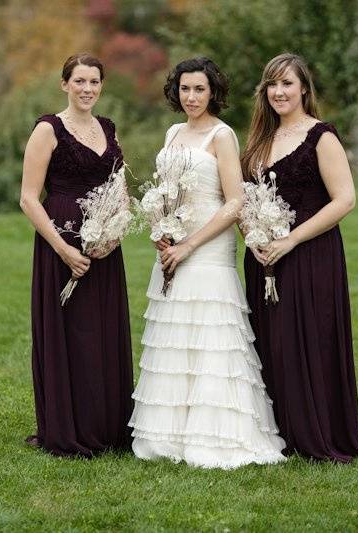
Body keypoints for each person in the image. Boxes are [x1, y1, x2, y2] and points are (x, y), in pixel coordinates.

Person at [128, 57, 286, 469]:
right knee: (176, 337)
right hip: (173, 247)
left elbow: (235, 202)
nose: (192, 97)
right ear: (175, 92)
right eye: (185, 89)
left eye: (199, 89)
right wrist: (161, 231)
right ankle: (170, 435)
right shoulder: (173, 131)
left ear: (213, 91)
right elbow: (167, 192)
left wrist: (190, 245)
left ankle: (217, 437)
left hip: (208, 249)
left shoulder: (222, 135)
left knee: (211, 337)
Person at [241, 53, 358, 463]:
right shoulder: (258, 141)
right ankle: (279, 429)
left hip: (310, 253)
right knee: (272, 342)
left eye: (287, 84)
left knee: (308, 339)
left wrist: (291, 240)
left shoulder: (322, 136)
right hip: (263, 257)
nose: (279, 92)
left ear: (303, 89)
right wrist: (253, 236)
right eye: (272, 85)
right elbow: (243, 200)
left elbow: (345, 199)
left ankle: (316, 431)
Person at [19, 53, 133, 456]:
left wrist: (117, 227)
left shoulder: (107, 127)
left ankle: (107, 427)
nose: (87, 89)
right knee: (72, 334)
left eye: (95, 82)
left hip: (105, 246)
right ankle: (70, 428)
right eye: (80, 81)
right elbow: (29, 199)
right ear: (65, 84)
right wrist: (64, 249)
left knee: (102, 332)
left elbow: (119, 183)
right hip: (61, 242)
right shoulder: (48, 129)